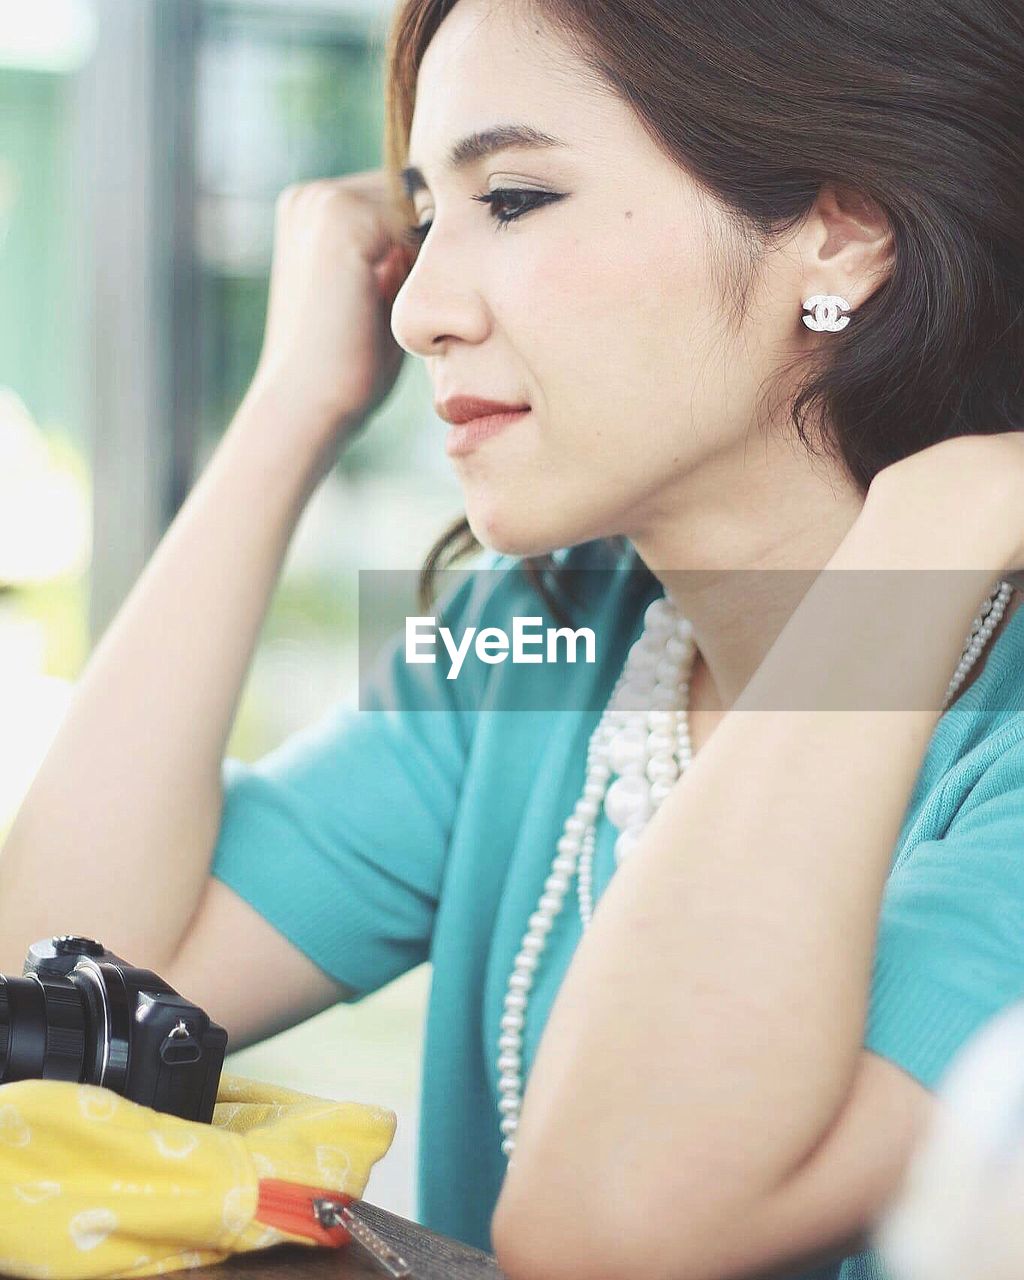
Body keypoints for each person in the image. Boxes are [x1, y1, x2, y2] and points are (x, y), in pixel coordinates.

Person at [2, 0, 1023, 1276]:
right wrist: (287, 412)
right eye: (427, 216)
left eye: (518, 197)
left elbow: (611, 1229)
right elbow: (60, 994)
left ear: (840, 230)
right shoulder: (539, 638)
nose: (416, 310)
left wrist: (932, 531)